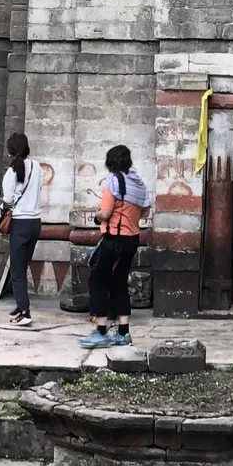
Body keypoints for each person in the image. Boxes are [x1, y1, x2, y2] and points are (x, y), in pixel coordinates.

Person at [79, 145, 150, 349]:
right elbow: (145, 212)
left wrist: (98, 216)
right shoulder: (138, 183)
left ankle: (101, 331)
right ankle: (123, 332)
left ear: (110, 163)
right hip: (132, 239)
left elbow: (106, 213)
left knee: (98, 281)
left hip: (114, 240)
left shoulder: (112, 182)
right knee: (119, 283)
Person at [1, 132, 42, 328]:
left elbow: (8, 199)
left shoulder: (11, 173)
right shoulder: (37, 167)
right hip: (35, 222)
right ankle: (20, 305)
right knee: (22, 266)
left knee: (17, 270)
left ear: (10, 151)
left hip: (19, 223)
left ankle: (25, 312)